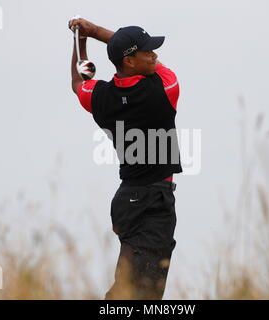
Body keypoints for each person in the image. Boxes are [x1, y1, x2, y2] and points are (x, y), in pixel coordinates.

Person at [68, 17, 182, 300]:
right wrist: (94, 32)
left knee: (135, 288)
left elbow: (77, 82)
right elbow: (117, 52)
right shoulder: (165, 88)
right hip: (153, 202)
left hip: (128, 200)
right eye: (148, 51)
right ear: (129, 61)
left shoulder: (100, 97)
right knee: (140, 294)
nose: (155, 55)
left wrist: (80, 40)